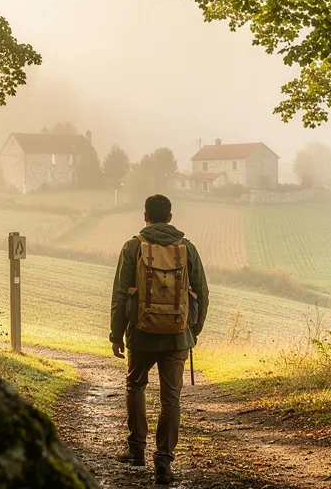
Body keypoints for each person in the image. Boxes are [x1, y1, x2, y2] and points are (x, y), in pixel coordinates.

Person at [109, 194, 209, 485]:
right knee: (170, 398)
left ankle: (136, 451)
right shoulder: (187, 249)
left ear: (145, 216)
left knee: (136, 385)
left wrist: (116, 334)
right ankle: (163, 462)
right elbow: (201, 293)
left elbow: (119, 294)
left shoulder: (133, 247)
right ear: (171, 216)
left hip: (141, 334)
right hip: (178, 336)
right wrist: (193, 329)